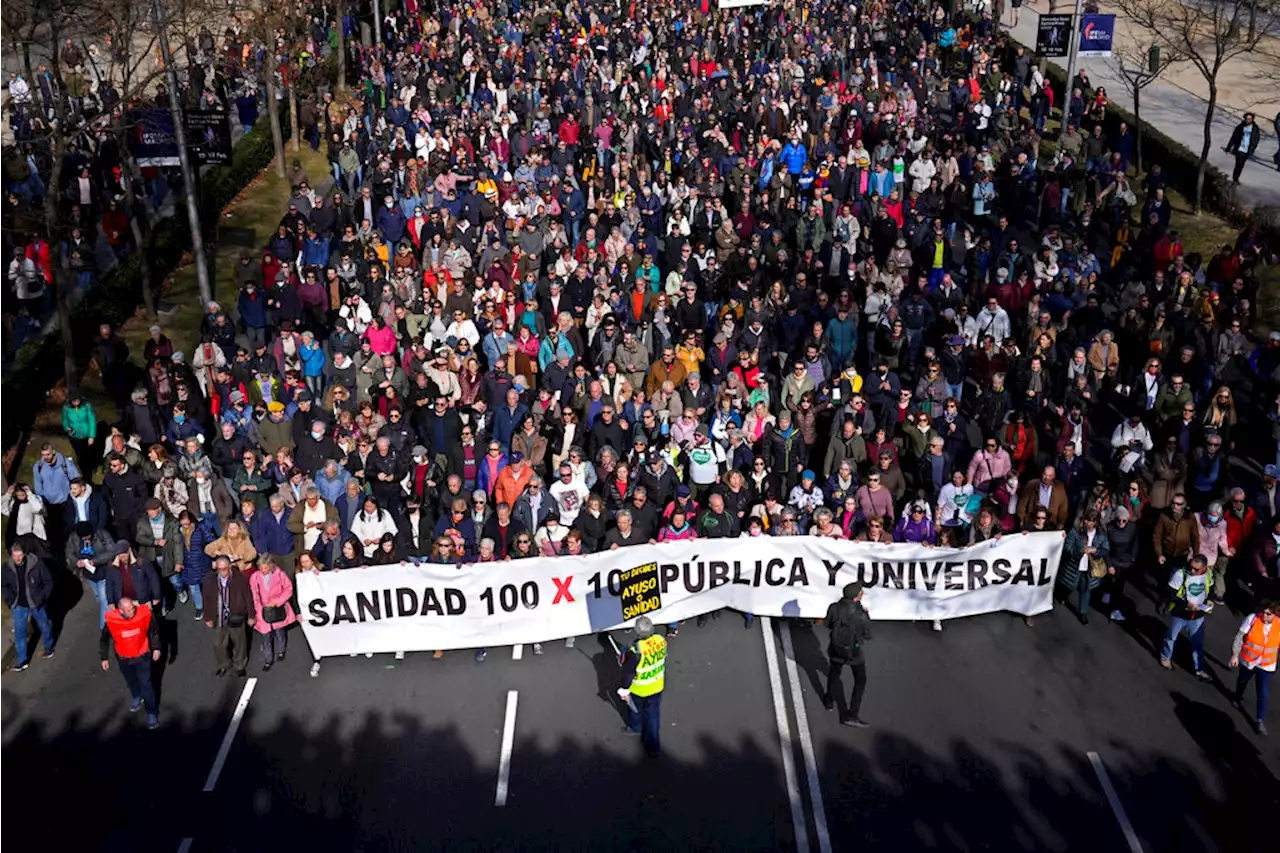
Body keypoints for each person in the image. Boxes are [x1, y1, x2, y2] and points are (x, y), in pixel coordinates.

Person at [100, 597, 162, 729]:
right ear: (120, 610)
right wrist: (104, 657)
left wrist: (156, 647)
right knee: (131, 679)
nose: (132, 612)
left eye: (133, 608)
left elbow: (154, 631)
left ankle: (151, 712)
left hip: (142, 656)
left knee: (146, 684)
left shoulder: (144, 614)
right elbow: (104, 638)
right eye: (128, 610)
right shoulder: (112, 620)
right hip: (124, 658)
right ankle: (136, 696)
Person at [821, 582, 872, 728]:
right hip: (854, 652)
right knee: (860, 681)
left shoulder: (834, 608)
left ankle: (829, 700)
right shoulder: (861, 614)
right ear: (856, 597)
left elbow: (828, 624)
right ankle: (852, 715)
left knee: (834, 673)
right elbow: (867, 635)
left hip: (836, 648)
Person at [0, 541, 55, 671]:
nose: (17, 559)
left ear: (24, 554)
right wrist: (10, 599)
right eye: (14, 556)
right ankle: (22, 660)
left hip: (36, 602)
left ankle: (48, 647)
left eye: (19, 556)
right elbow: (2, 585)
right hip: (18, 605)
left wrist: (42, 597)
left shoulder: (36, 564)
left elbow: (48, 581)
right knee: (19, 633)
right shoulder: (6, 568)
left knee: (44, 625)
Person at [618, 615, 666, 757]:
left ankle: (635, 728)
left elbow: (628, 673)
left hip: (639, 688)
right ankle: (653, 746)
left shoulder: (635, 652)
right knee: (653, 715)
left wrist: (623, 690)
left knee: (635, 710)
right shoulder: (661, 640)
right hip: (657, 685)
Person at [1160, 553, 1214, 679]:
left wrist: (1210, 600)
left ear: (1204, 568)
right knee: (1171, 637)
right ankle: (1165, 657)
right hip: (1180, 614)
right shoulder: (1180, 574)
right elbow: (1171, 594)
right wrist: (1186, 604)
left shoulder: (1209, 574)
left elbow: (1210, 589)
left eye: (1196, 569)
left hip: (1198, 615)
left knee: (1198, 643)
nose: (1192, 571)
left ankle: (1199, 669)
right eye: (1191, 567)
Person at [1229, 601, 1278, 736]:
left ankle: (1260, 720)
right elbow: (1239, 637)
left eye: (1268, 614)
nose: (1265, 615)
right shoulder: (1252, 619)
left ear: (1274, 614)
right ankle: (1238, 696)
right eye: (1263, 612)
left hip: (1266, 665)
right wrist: (1234, 655)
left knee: (1263, 693)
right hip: (1249, 661)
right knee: (1243, 680)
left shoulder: (1278, 625)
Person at [202, 555, 254, 677]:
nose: (222, 572)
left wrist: (251, 615)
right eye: (219, 569)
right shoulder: (210, 580)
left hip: (236, 616)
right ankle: (224, 664)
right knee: (218, 644)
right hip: (219, 617)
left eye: (225, 568)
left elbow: (248, 597)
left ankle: (239, 665)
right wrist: (207, 617)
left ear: (230, 566)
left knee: (239, 642)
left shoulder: (240, 578)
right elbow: (206, 600)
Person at [250, 555, 297, 671]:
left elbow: (288, 589)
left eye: (265, 568)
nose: (263, 571)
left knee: (279, 632)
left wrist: (277, 601)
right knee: (265, 636)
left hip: (277, 608)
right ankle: (268, 660)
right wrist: (258, 608)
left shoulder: (280, 575)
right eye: (261, 568)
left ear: (271, 566)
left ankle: (281, 651)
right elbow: (254, 594)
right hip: (263, 610)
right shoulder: (255, 577)